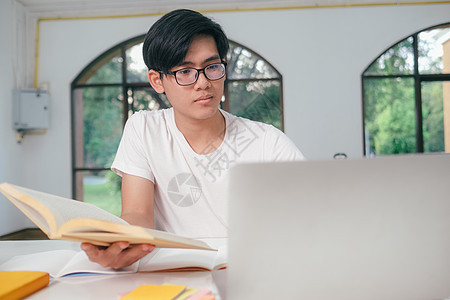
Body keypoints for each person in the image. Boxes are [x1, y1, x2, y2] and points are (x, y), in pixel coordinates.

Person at [81, 8, 305, 269]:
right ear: (157, 80)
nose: (203, 83)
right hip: (170, 273)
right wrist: (120, 242)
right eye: (185, 71)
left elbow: (305, 216)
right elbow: (137, 214)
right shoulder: (144, 129)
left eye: (212, 67)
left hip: (248, 270)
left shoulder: (267, 141)